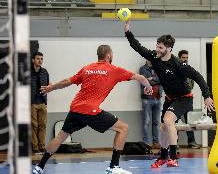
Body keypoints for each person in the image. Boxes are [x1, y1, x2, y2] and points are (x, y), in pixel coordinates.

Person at [32, 45, 153, 174]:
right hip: (90, 110)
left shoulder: (87, 68)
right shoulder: (114, 70)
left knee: (61, 137)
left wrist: (52, 87)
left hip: (75, 109)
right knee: (123, 128)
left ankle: (39, 167)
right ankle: (114, 166)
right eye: (112, 54)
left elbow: (67, 81)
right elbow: (140, 77)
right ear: (108, 55)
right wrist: (149, 87)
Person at [124, 21, 214, 168]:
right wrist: (128, 31)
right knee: (163, 128)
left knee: (168, 120)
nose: (157, 49)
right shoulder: (154, 57)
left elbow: (197, 76)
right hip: (170, 99)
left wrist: (206, 95)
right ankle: (163, 157)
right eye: (157, 46)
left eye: (160, 47)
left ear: (169, 48)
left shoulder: (178, 64)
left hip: (184, 99)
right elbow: (137, 47)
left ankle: (174, 157)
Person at [177, 50, 200, 149]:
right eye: (183, 58)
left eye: (186, 58)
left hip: (187, 100)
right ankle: (174, 143)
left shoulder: (189, 69)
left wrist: (188, 92)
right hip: (177, 99)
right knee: (175, 122)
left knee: (189, 121)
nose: (185, 59)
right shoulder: (175, 69)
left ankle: (191, 142)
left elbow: (192, 83)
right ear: (179, 58)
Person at [139, 60, 162, 149]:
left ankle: (156, 142)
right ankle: (146, 143)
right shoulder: (142, 69)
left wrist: (152, 78)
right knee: (146, 122)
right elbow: (145, 81)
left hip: (157, 98)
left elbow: (161, 79)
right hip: (147, 99)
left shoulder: (159, 68)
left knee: (156, 122)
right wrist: (155, 80)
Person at [31, 51, 50, 153]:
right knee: (33, 125)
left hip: (42, 101)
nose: (40, 61)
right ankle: (35, 147)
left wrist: (48, 87)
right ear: (33, 60)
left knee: (43, 125)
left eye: (41, 59)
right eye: (38, 59)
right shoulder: (28, 72)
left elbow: (48, 85)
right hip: (32, 102)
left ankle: (42, 146)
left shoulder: (45, 72)